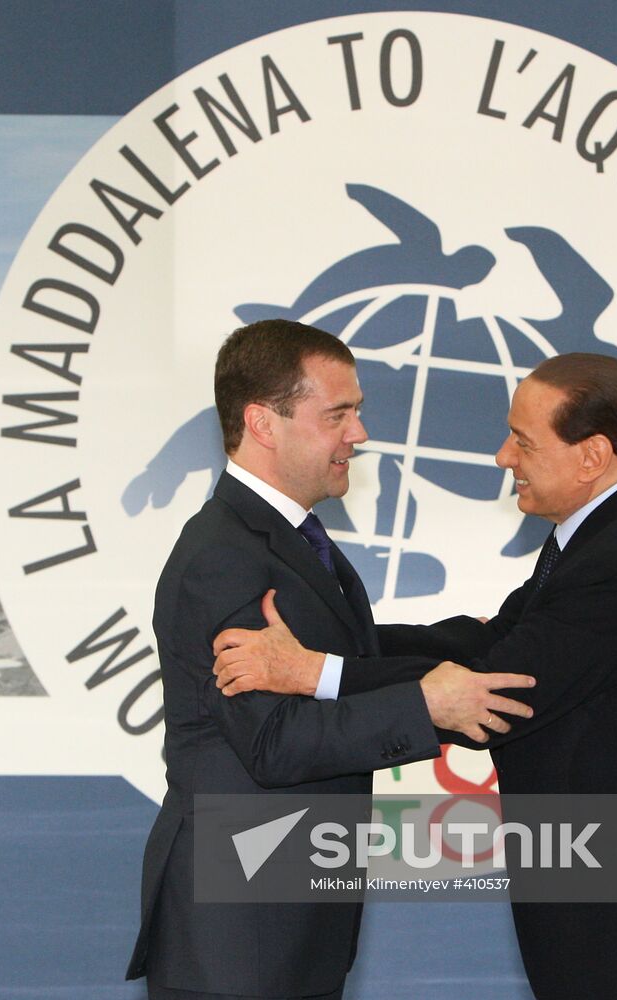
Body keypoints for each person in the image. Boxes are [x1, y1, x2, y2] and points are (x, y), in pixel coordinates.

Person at [213, 352, 617, 1000]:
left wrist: (316, 672)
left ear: (591, 456)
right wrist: (333, 641)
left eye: (523, 441)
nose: (503, 456)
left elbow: (491, 691)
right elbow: (487, 638)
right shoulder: (616, 524)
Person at [125, 319, 536, 1000]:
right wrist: (427, 706)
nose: (360, 434)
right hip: (243, 937)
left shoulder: (287, 539)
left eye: (359, 412)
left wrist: (479, 640)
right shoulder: (224, 557)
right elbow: (273, 740)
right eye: (337, 414)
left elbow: (346, 657)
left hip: (289, 922)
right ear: (263, 422)